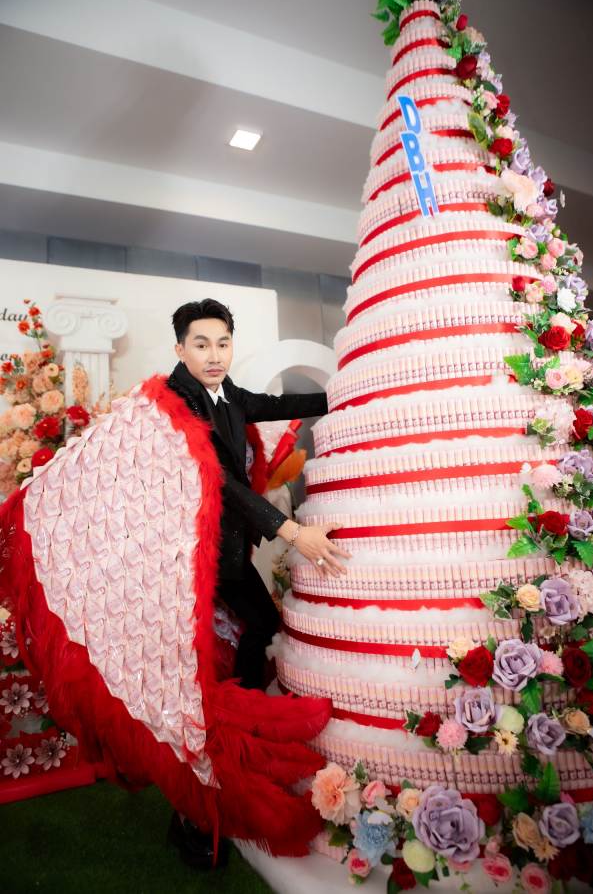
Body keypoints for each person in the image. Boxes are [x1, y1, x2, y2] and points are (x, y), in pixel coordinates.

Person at [165, 298, 352, 866]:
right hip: (189, 558)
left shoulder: (226, 392)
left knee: (258, 627)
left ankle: (238, 732)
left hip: (225, 553)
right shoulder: (176, 402)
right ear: (180, 349)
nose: (214, 355)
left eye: (222, 343)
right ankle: (195, 809)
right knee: (193, 677)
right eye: (201, 344)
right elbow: (223, 481)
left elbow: (277, 404)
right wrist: (294, 532)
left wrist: (350, 391)